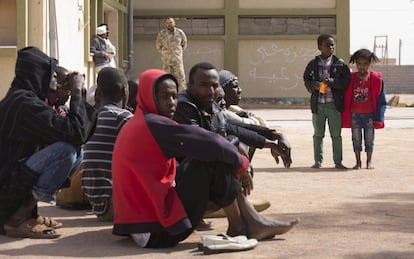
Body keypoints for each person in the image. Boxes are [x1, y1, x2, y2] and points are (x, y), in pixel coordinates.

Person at [111, 69, 299, 248]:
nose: (171, 103)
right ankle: (242, 226)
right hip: (156, 231)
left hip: (139, 226)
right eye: (163, 97)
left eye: (174, 96)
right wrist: (241, 163)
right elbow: (210, 143)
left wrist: (268, 139)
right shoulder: (153, 124)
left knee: (214, 152)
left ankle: (248, 222)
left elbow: (230, 131)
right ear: (147, 96)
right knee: (211, 157)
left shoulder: (139, 122)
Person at [0, 46, 96, 239]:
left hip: (10, 188)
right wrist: (76, 93)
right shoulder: (24, 104)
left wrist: (80, 97)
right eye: (52, 74)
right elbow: (74, 133)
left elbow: (79, 134)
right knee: (66, 151)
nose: (56, 79)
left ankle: (29, 214)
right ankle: (17, 218)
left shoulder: (23, 99)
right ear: (38, 74)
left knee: (76, 152)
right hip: (6, 193)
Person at [80, 67, 133, 221]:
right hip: (114, 203)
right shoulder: (122, 117)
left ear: (98, 93)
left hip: (98, 205)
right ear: (124, 91)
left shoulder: (89, 118)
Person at [303, 34, 351, 169]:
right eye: (327, 45)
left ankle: (338, 161)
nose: (331, 47)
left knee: (336, 135)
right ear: (319, 47)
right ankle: (318, 160)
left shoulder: (340, 64)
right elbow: (306, 79)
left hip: (334, 105)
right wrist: (313, 85)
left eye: (332, 45)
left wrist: (332, 82)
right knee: (318, 134)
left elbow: (345, 82)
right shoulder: (313, 64)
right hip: (318, 105)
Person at [342, 49, 387, 170]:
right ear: (355, 63)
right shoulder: (350, 78)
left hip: (369, 116)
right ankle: (358, 162)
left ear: (369, 64)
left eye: (365, 64)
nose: (362, 67)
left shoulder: (376, 79)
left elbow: (381, 100)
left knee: (369, 139)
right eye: (359, 64)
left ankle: (369, 161)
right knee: (356, 139)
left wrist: (379, 117)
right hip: (354, 115)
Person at [156, 17, 187, 91]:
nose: (169, 24)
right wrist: (165, 54)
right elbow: (158, 46)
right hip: (167, 62)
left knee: (181, 79)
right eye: (167, 23)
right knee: (166, 79)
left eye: (171, 22)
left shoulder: (180, 33)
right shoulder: (162, 33)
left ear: (174, 23)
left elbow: (184, 44)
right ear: (165, 24)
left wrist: (177, 54)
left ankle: (182, 96)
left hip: (177, 62)